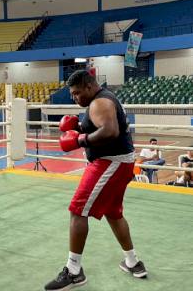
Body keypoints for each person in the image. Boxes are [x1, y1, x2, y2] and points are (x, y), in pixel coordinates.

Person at [44, 70, 147, 291]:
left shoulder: (99, 102)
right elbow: (101, 127)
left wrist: (80, 139)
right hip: (119, 161)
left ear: (90, 87)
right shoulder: (104, 98)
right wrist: (79, 128)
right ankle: (133, 262)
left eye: (77, 93)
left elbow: (110, 131)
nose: (75, 98)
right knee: (113, 212)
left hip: (110, 162)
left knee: (77, 210)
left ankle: (74, 272)